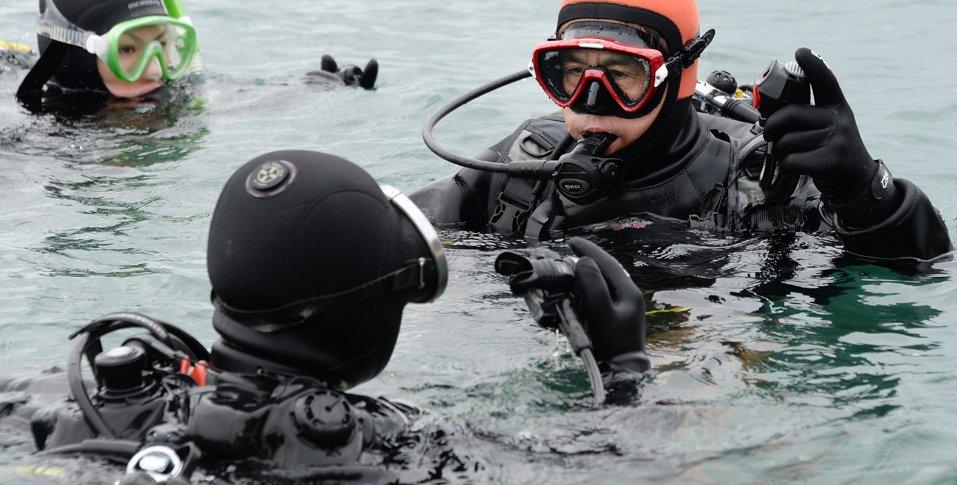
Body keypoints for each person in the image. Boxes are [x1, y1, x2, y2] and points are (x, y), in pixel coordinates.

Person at [21, 150, 647, 482]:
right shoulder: (386, 449)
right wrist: (623, 370)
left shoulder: (99, 398)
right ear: (370, 308)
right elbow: (617, 468)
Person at [410, 0, 952, 261]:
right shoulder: (526, 166)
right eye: (572, 74)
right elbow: (395, 231)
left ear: (677, 76)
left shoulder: (758, 182)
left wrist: (865, 192)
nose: (592, 103)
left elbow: (923, 269)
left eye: (623, 77)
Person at [15, 0, 201, 111]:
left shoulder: (185, 98)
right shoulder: (36, 141)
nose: (156, 71)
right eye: (127, 49)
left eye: (161, 43)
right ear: (78, 60)